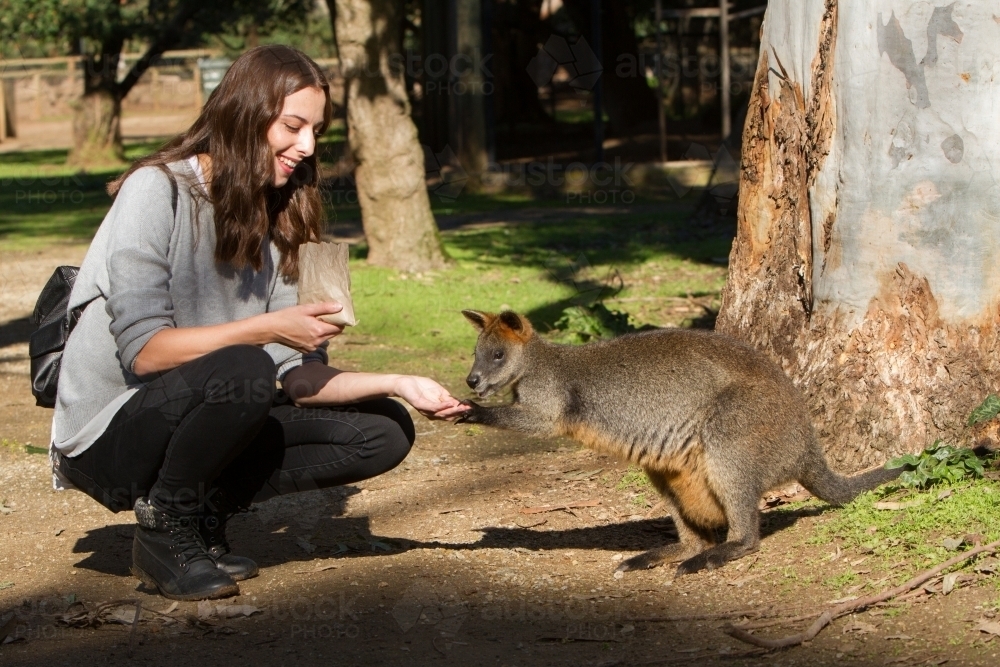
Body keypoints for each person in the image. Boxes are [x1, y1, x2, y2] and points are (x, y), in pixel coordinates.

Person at [50, 45, 469, 602]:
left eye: (316, 130)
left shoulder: (283, 218)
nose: (308, 146)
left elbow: (298, 380)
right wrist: (270, 327)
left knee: (383, 427)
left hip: (210, 401)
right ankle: (165, 529)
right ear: (245, 114)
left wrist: (398, 382)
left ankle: (201, 516)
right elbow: (145, 353)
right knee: (245, 369)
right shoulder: (157, 189)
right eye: (292, 126)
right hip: (110, 437)